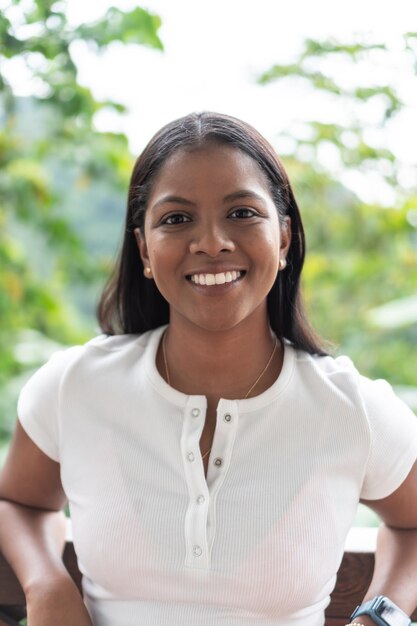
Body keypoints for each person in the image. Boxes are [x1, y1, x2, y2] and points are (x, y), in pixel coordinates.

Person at [1, 111, 417, 626]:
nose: (211, 242)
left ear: (283, 238)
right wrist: (46, 586)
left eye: (242, 213)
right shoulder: (75, 386)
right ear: (144, 250)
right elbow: (17, 502)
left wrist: (381, 617)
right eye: (176, 219)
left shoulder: (351, 407)